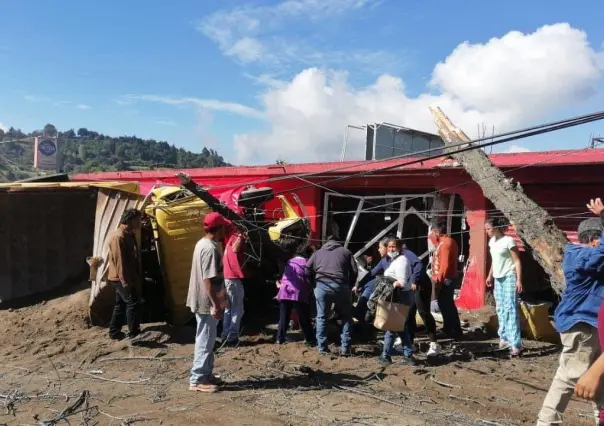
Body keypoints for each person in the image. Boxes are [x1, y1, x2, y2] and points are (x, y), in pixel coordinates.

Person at [537, 199, 604, 425]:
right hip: (581, 326)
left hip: (591, 325)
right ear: (594, 240)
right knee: (567, 378)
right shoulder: (578, 254)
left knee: (598, 378)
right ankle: (547, 422)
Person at [187, 212, 229, 393]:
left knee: (209, 338)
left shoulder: (202, 243)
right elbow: (208, 280)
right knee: (205, 339)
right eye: (223, 227)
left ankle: (206, 374)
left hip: (203, 298)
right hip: (207, 301)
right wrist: (216, 304)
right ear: (218, 228)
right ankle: (197, 379)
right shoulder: (211, 249)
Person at [307, 234, 358, 356]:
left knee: (321, 317)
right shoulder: (346, 252)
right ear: (338, 242)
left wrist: (313, 285)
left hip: (322, 286)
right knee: (346, 317)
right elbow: (354, 271)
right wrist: (349, 285)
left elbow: (307, 269)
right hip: (341, 286)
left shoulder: (318, 253)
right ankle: (345, 349)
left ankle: (322, 348)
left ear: (326, 242)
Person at [375, 237, 417, 366]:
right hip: (399, 297)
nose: (391, 249)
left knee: (392, 327)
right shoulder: (394, 260)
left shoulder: (401, 261)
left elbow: (402, 282)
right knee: (399, 327)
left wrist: (390, 283)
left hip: (401, 297)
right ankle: (407, 355)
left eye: (394, 247)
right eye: (389, 246)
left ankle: (387, 356)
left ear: (399, 248)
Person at [485, 217, 523, 356]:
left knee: (511, 308)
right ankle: (504, 338)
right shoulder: (492, 242)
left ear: (496, 228)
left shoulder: (509, 241)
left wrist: (519, 279)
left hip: (509, 277)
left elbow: (517, 261)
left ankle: (516, 344)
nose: (487, 231)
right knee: (500, 308)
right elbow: (495, 261)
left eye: (488, 229)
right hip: (498, 278)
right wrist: (490, 275)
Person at [107, 209, 144, 342]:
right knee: (132, 302)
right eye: (138, 219)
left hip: (126, 276)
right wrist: (125, 281)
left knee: (121, 304)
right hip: (120, 277)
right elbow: (119, 261)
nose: (140, 222)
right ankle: (134, 334)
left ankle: (114, 332)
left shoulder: (129, 234)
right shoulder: (118, 236)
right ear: (129, 220)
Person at [429, 222, 463, 340]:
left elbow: (444, 264)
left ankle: (454, 330)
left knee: (447, 305)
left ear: (437, 232)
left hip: (446, 279)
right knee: (445, 305)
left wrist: (439, 280)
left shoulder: (446, 243)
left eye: (432, 233)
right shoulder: (443, 243)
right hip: (446, 278)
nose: (431, 236)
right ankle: (449, 328)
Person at [276, 245, 315, 345]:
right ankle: (310, 339)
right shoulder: (307, 263)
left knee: (284, 317)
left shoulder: (290, 261)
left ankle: (280, 339)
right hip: (299, 292)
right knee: (304, 317)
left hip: (285, 291)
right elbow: (309, 279)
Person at [221, 224, 246, 346]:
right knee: (237, 309)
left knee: (228, 309)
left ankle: (225, 335)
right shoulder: (236, 236)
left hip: (226, 278)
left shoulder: (228, 238)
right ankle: (232, 338)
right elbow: (236, 249)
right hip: (233, 279)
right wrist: (241, 235)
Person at [353, 238, 389, 322]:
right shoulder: (384, 260)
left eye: (380, 247)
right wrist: (358, 285)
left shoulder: (399, 259)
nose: (378, 250)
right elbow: (372, 273)